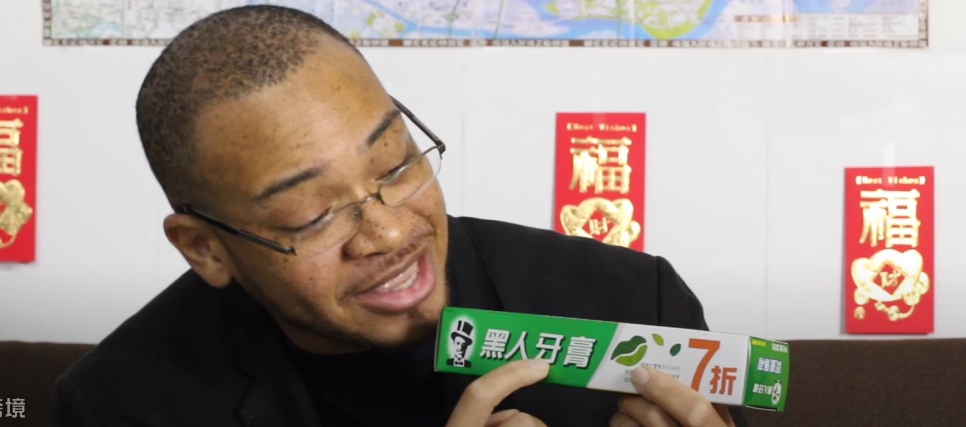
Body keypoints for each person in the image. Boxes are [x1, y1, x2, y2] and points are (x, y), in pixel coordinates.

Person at [52, 5, 748, 427]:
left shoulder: (632, 306)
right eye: (312, 213)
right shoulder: (121, 404)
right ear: (204, 248)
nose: (389, 232)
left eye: (394, 165)